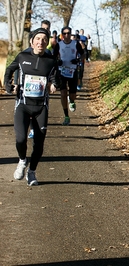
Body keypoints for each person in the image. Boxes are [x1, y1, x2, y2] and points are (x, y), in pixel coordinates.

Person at [3, 28, 60, 186]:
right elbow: (9, 70)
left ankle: (32, 172)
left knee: (39, 143)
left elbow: (57, 78)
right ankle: (22, 161)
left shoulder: (50, 60)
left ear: (47, 43)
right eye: (38, 38)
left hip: (41, 107)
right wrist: (9, 86)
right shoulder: (23, 57)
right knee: (21, 139)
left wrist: (54, 85)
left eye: (44, 39)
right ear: (32, 41)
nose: (40, 42)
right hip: (22, 104)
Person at [53, 26, 84, 125]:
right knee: (62, 93)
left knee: (72, 95)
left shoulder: (75, 44)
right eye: (64, 33)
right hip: (62, 72)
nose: (66, 35)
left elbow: (83, 54)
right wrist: (58, 62)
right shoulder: (59, 45)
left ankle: (71, 100)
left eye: (68, 33)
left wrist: (78, 60)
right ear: (62, 35)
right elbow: (53, 57)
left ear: (71, 34)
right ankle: (66, 116)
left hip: (73, 71)